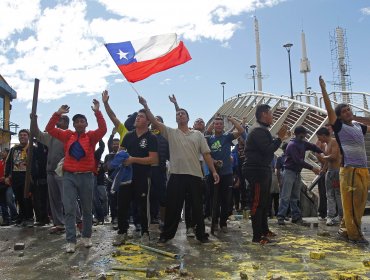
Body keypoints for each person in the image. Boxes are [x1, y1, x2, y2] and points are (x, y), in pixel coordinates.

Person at [138, 95, 220, 244]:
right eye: (177, 114)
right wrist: (146, 105)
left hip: (195, 175)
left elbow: (206, 154)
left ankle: (201, 235)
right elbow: (155, 122)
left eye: (182, 113)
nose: (180, 115)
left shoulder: (198, 135)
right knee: (173, 208)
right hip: (176, 176)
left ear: (188, 118)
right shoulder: (171, 132)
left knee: (197, 208)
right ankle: (166, 235)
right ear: (175, 119)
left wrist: (213, 171)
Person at [45, 99, 107, 253]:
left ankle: (86, 237)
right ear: (73, 125)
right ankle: (70, 241)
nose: (79, 124)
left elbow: (103, 129)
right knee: (69, 208)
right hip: (69, 176)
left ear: (86, 124)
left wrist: (97, 111)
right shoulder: (67, 136)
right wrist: (58, 113)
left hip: (86, 176)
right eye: (77, 122)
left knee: (87, 209)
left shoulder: (91, 137)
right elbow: (49, 129)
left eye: (82, 121)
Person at [320, 76, 369, 245]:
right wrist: (324, 91)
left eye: (349, 109)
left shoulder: (357, 126)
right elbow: (329, 111)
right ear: (339, 117)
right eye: (344, 111)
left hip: (363, 169)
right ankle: (355, 235)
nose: (348, 112)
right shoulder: (340, 127)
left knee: (359, 204)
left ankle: (344, 230)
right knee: (352, 205)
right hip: (349, 170)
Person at [243, 104, 289, 244]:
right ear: (264, 114)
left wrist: (280, 138)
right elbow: (268, 150)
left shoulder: (262, 130)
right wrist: (280, 138)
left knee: (264, 202)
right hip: (256, 170)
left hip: (262, 169)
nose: (272, 117)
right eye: (271, 114)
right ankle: (257, 237)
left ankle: (264, 231)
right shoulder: (257, 131)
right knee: (257, 203)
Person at [113, 108, 158, 246]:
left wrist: (133, 159)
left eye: (141, 116)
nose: (137, 118)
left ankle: (145, 232)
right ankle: (122, 232)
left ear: (148, 121)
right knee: (122, 205)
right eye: (137, 116)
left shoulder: (151, 137)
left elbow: (153, 160)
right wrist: (120, 158)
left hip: (142, 176)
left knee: (143, 206)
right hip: (126, 177)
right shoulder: (128, 136)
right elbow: (121, 152)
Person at [277, 126, 322, 226]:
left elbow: (313, 147)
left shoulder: (302, 143)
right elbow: (298, 160)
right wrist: (312, 168)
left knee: (295, 196)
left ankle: (295, 216)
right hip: (289, 172)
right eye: (305, 133)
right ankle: (281, 216)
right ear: (300, 134)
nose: (306, 135)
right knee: (285, 195)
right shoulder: (292, 145)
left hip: (296, 173)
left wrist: (322, 151)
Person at [206, 116, 244, 232]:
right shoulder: (208, 139)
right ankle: (215, 222)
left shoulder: (227, 137)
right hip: (213, 173)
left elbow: (241, 131)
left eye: (220, 124)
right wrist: (213, 161)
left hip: (227, 173)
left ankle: (223, 223)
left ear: (223, 126)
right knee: (213, 200)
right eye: (216, 124)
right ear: (213, 126)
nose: (218, 126)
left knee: (226, 200)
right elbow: (206, 154)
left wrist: (232, 120)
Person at [5, 129, 36, 227]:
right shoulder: (14, 149)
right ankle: (22, 217)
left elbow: (36, 163)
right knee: (18, 198)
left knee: (27, 197)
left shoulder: (32, 148)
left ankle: (30, 218)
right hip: (16, 176)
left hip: (27, 177)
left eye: (25, 135)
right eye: (20, 135)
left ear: (28, 137)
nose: (22, 137)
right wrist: (6, 176)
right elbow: (8, 163)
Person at [316, 127, 343, 226]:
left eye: (319, 138)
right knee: (329, 194)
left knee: (337, 194)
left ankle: (340, 215)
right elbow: (328, 160)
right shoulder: (326, 145)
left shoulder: (334, 141)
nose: (319, 140)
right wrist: (323, 170)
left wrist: (323, 156)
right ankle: (331, 216)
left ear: (324, 135)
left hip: (336, 172)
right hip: (329, 171)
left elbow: (334, 156)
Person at [149, 115, 169, 229]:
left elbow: (170, 155)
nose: (155, 122)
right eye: (153, 120)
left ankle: (163, 220)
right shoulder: (145, 135)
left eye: (158, 121)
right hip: (146, 170)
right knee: (149, 195)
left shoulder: (166, 137)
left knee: (162, 196)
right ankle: (151, 218)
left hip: (160, 170)